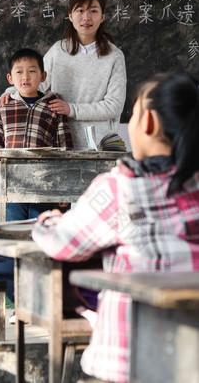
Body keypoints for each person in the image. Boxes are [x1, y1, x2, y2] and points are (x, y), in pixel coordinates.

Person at [32, 72, 199, 383]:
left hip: (135, 356)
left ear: (147, 122)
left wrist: (48, 220)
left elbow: (61, 244)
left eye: (132, 113)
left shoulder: (122, 187)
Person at [0, 47, 73, 321]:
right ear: (10, 77)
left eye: (32, 71)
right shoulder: (5, 108)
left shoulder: (54, 107)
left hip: (45, 191)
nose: (26, 76)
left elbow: (66, 148)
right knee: (14, 243)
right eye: (19, 72)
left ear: (43, 75)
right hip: (12, 190)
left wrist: (65, 190)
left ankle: (44, 303)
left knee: (44, 243)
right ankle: (19, 304)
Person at [0, 0, 127, 149]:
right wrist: (10, 93)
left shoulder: (114, 56)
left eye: (93, 11)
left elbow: (114, 106)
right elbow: (38, 82)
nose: (86, 17)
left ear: (102, 17)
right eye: (80, 10)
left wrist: (71, 109)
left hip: (99, 146)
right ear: (71, 16)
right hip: (58, 140)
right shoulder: (59, 50)